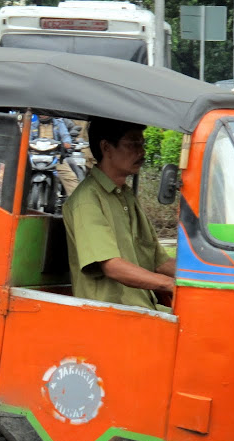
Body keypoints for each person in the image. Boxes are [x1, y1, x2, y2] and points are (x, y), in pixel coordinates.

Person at [62, 117, 175, 311]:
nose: (142, 152)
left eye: (142, 144)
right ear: (106, 147)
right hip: (111, 314)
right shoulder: (88, 200)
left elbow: (159, 261)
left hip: (143, 308)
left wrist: (203, 277)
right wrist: (170, 284)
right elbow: (112, 266)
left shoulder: (126, 195)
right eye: (132, 144)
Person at [30, 114, 80, 196]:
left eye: (44, 113)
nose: (42, 115)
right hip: (35, 156)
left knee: (70, 178)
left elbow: (65, 136)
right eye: (40, 113)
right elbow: (27, 138)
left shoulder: (59, 123)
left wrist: (67, 143)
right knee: (19, 173)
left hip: (55, 156)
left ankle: (76, 201)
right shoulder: (33, 125)